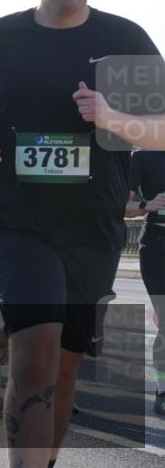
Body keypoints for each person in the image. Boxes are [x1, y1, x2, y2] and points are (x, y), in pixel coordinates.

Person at [0, 0, 163, 468]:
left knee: (65, 370)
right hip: (15, 220)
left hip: (92, 225)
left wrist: (112, 118)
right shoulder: (0, 36)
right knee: (35, 357)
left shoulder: (124, 41)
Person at [126, 149, 165, 413]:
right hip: (157, 246)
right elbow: (122, 205)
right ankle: (162, 390)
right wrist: (147, 205)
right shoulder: (142, 157)